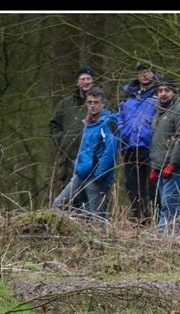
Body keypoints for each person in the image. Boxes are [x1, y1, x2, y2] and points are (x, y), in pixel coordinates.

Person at [52, 87, 119, 222]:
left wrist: (99, 174)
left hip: (96, 178)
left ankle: (101, 241)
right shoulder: (88, 123)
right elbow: (84, 149)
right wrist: (78, 165)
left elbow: (111, 151)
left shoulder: (108, 122)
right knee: (57, 205)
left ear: (103, 104)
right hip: (81, 174)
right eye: (89, 102)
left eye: (96, 102)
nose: (92, 106)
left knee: (97, 218)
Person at [148, 77, 180, 232]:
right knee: (163, 203)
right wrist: (154, 166)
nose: (163, 94)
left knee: (170, 203)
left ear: (174, 92)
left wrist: (173, 163)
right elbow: (158, 140)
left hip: (175, 168)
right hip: (160, 166)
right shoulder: (159, 111)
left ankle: (167, 236)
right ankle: (168, 234)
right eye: (160, 91)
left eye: (167, 90)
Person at [118, 63, 159, 223]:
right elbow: (119, 117)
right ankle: (139, 218)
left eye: (148, 71)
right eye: (141, 72)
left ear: (153, 74)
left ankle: (155, 218)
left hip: (150, 147)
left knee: (151, 186)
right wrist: (124, 132)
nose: (144, 75)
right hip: (129, 147)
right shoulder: (127, 95)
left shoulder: (158, 93)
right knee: (132, 185)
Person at [49, 67, 95, 200]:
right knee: (70, 195)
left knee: (91, 194)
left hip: (92, 158)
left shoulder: (100, 103)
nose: (85, 82)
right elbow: (54, 125)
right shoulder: (65, 104)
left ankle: (92, 220)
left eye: (88, 79)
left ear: (93, 82)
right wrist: (62, 142)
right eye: (82, 79)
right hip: (69, 159)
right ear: (77, 82)